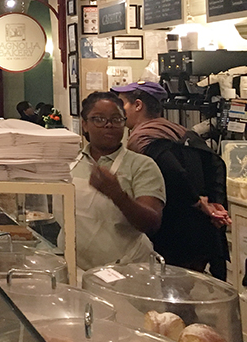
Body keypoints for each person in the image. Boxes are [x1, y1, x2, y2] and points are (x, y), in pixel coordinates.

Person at [112, 81, 231, 277]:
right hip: (200, 233)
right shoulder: (180, 131)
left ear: (138, 105)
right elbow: (217, 163)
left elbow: (175, 173)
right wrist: (215, 203)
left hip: (172, 234)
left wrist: (199, 203)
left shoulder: (143, 138)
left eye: (122, 104)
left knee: (172, 296)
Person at [71, 91, 165, 271]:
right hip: (75, 268)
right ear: (84, 125)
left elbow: (152, 223)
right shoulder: (70, 164)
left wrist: (118, 196)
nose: (108, 126)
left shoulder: (142, 165)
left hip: (127, 269)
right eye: (99, 119)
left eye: (116, 119)